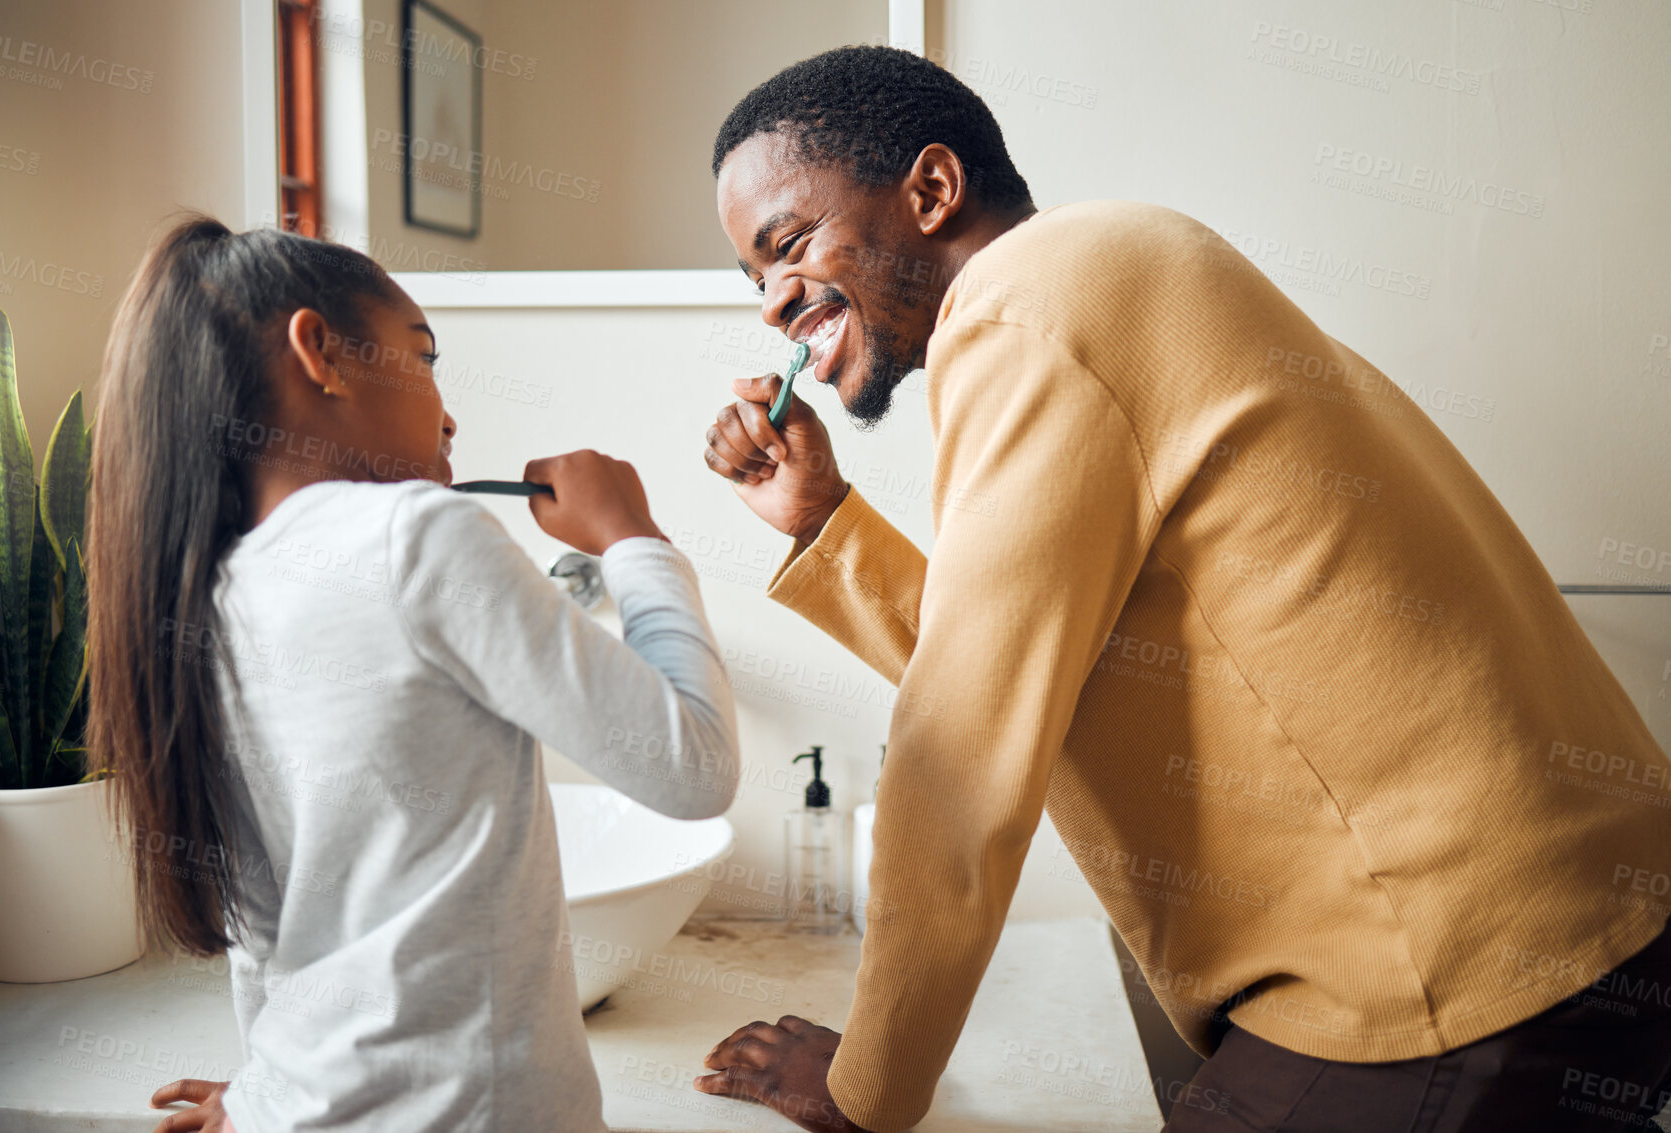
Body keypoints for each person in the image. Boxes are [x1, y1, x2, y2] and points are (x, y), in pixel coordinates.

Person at [694, 45, 1671, 1132]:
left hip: (1443, 971)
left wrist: (866, 1090)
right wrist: (822, 519)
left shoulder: (1022, 309)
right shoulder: (1103, 269)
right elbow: (1032, 660)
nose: (775, 303)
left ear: (931, 191)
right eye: (753, 279)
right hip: (1573, 923)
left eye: (787, 247)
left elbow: (963, 749)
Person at [84, 216, 739, 1132]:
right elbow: (694, 768)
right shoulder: (417, 534)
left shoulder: (208, 590)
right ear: (322, 354)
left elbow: (262, 920)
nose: (448, 412)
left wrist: (262, 1091)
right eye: (422, 356)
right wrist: (634, 541)